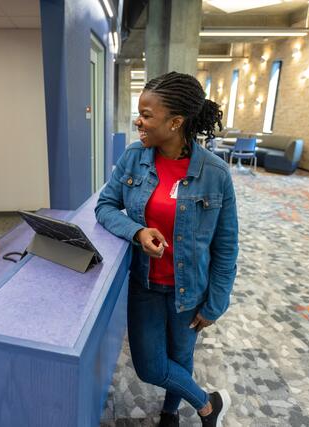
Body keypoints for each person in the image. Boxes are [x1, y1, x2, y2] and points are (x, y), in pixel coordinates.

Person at [95, 72, 238, 427]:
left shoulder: (215, 173)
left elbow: (226, 244)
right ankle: (208, 404)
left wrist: (216, 302)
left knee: (181, 355)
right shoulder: (135, 157)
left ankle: (170, 413)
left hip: (190, 290)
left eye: (146, 115)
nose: (137, 121)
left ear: (175, 122)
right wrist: (138, 230)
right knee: (150, 366)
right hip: (145, 283)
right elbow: (105, 206)